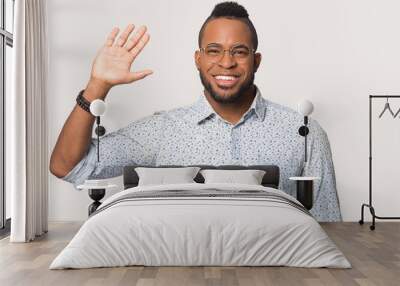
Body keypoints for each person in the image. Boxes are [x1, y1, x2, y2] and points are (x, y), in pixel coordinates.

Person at [50, 2, 342, 221]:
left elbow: (328, 224)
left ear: (256, 60)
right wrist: (96, 86)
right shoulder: (162, 129)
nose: (226, 63)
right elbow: (69, 167)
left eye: (239, 51)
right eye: (214, 51)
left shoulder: (303, 133)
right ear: (198, 60)